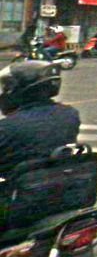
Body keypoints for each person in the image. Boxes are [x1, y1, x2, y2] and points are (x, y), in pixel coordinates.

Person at [0, 62, 80, 211]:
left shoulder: (9, 127)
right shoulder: (70, 114)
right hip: (57, 191)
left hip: (20, 201)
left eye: (7, 88)